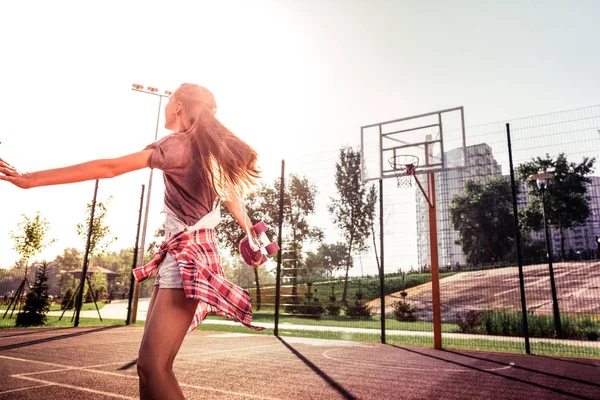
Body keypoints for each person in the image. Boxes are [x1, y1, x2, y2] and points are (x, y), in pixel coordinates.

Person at [0, 83, 264, 399]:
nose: (167, 106)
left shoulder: (178, 146)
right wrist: (249, 232)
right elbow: (232, 195)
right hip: (187, 255)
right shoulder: (206, 151)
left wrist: (31, 180)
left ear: (179, 105)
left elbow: (109, 167)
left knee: (154, 367)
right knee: (148, 368)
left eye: (169, 100)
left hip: (187, 259)